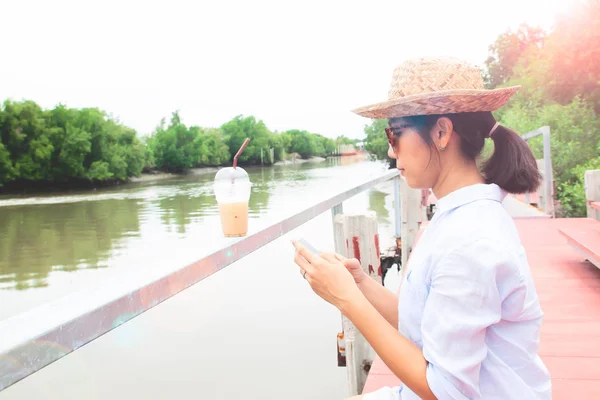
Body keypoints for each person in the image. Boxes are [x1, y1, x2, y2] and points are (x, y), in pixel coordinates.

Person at [291, 56, 552, 400]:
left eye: (394, 134)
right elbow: (427, 320)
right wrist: (361, 284)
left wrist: (347, 299)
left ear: (442, 132)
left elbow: (445, 391)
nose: (389, 149)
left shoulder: (471, 241)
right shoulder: (457, 214)